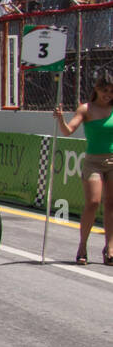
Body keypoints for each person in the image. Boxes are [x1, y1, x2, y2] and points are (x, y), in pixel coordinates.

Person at [53, 70, 113, 265]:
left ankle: (110, 248)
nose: (108, 95)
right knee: (93, 202)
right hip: (93, 162)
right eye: (105, 90)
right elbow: (68, 130)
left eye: (111, 91)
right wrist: (60, 118)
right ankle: (82, 246)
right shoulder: (86, 109)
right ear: (97, 89)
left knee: (111, 204)